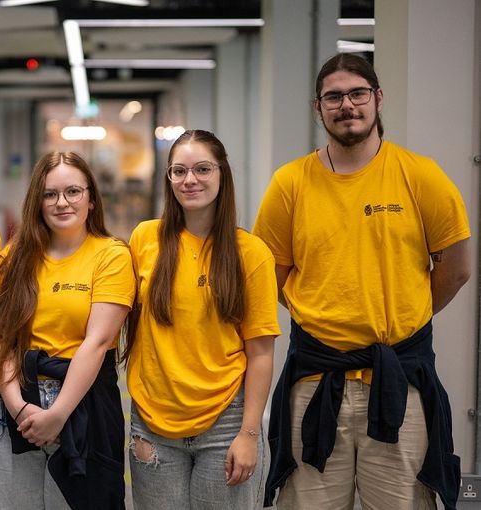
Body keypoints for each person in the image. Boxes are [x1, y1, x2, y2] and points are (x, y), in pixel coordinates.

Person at [254, 53, 471, 510]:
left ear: (377, 99)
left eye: (357, 94)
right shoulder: (290, 183)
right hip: (314, 383)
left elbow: (457, 266)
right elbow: (269, 275)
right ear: (318, 108)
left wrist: (405, 312)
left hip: (399, 383)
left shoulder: (419, 175)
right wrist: (323, 315)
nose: (346, 105)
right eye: (333, 97)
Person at [0, 151, 135, 509]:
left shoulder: (111, 255)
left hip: (82, 405)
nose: (61, 202)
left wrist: (57, 414)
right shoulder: (14, 257)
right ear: (36, 201)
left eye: (73, 192)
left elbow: (97, 341)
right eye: (50, 194)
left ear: (90, 198)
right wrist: (18, 408)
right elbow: (1, 339)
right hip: (15, 411)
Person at [124, 130, 278, 510]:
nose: (190, 179)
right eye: (179, 171)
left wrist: (250, 434)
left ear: (222, 173)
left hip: (226, 422)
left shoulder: (251, 253)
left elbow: (260, 353)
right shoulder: (145, 239)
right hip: (152, 422)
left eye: (202, 169)